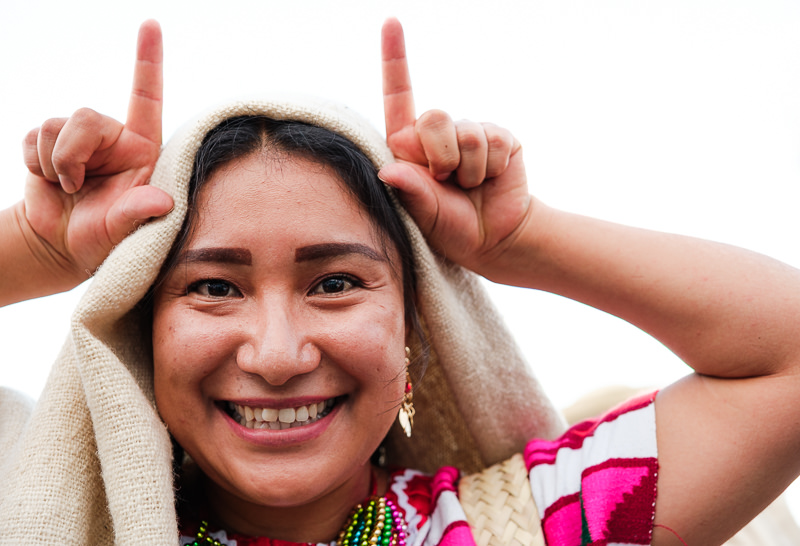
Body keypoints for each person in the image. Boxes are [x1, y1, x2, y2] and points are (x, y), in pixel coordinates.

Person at [1, 17, 800, 546]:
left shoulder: (530, 525)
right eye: (214, 288)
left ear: (414, 331)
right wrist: (35, 246)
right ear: (139, 328)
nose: (276, 356)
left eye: (334, 283)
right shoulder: (37, 512)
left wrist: (525, 237)